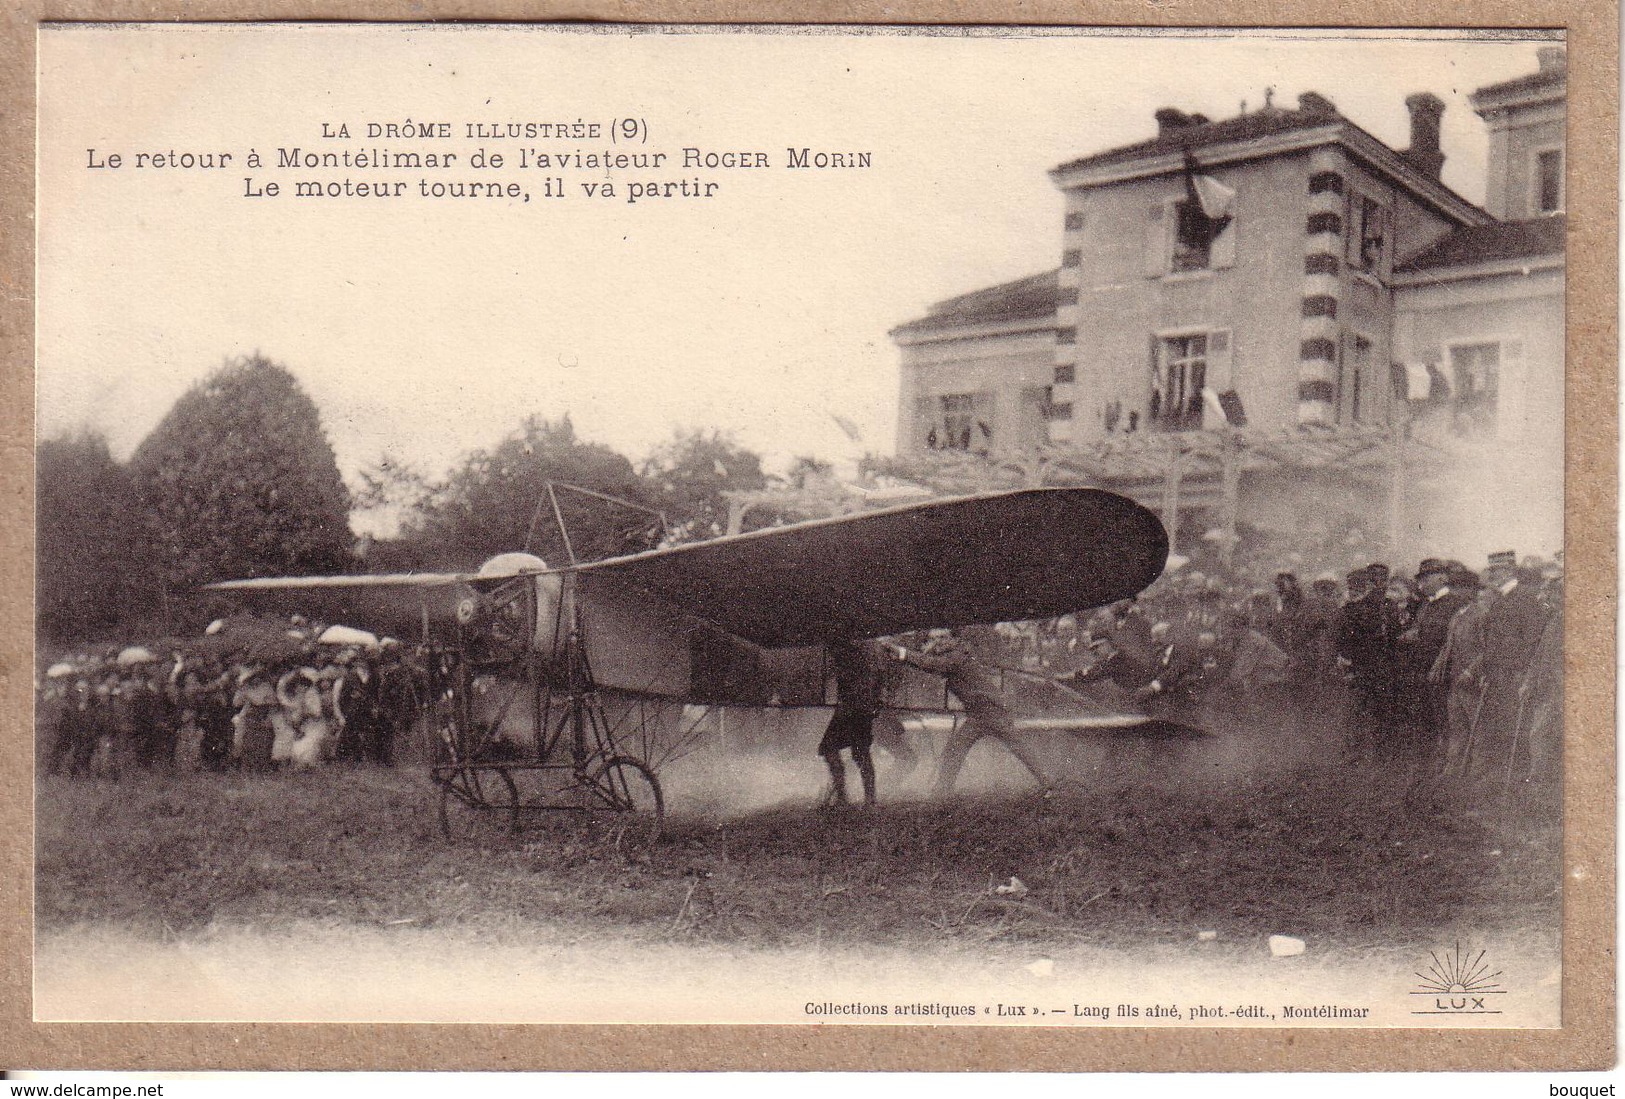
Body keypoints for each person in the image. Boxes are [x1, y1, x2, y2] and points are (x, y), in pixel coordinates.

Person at [890, 629, 1048, 797]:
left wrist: (904, 654)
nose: (938, 641)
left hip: (991, 711)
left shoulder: (956, 656)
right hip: (981, 713)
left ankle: (1049, 784)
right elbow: (930, 665)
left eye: (942, 637)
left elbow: (933, 664)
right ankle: (942, 791)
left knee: (1018, 748)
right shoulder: (955, 654)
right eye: (934, 638)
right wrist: (903, 657)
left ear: (952, 639)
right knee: (956, 750)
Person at [817, 639, 888, 806]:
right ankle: (862, 798)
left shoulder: (856, 649)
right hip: (859, 707)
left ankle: (848, 797)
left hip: (854, 707)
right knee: (855, 752)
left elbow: (870, 680)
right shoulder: (865, 649)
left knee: (837, 749)